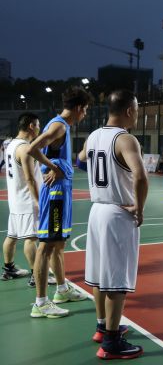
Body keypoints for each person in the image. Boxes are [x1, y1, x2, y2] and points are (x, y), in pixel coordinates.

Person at [80, 90, 148, 359]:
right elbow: (140, 176)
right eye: (137, 109)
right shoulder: (126, 139)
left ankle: (102, 327)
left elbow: (81, 158)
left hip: (96, 211)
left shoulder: (93, 136)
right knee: (117, 280)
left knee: (100, 275)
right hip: (117, 213)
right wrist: (139, 208)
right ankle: (111, 343)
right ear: (129, 110)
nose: (138, 114)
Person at [26, 86, 90, 318]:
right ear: (78, 108)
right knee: (46, 246)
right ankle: (41, 303)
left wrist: (54, 165)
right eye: (85, 110)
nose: (85, 114)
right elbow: (32, 149)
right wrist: (53, 167)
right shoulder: (59, 126)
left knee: (58, 244)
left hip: (61, 193)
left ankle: (62, 290)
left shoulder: (62, 126)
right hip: (55, 194)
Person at [2, 113, 58, 287]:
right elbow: (29, 179)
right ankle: (36, 275)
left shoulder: (11, 144)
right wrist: (38, 201)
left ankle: (9, 269)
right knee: (31, 238)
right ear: (31, 126)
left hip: (15, 199)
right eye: (38, 125)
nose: (40, 128)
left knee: (12, 236)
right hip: (27, 200)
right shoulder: (25, 148)